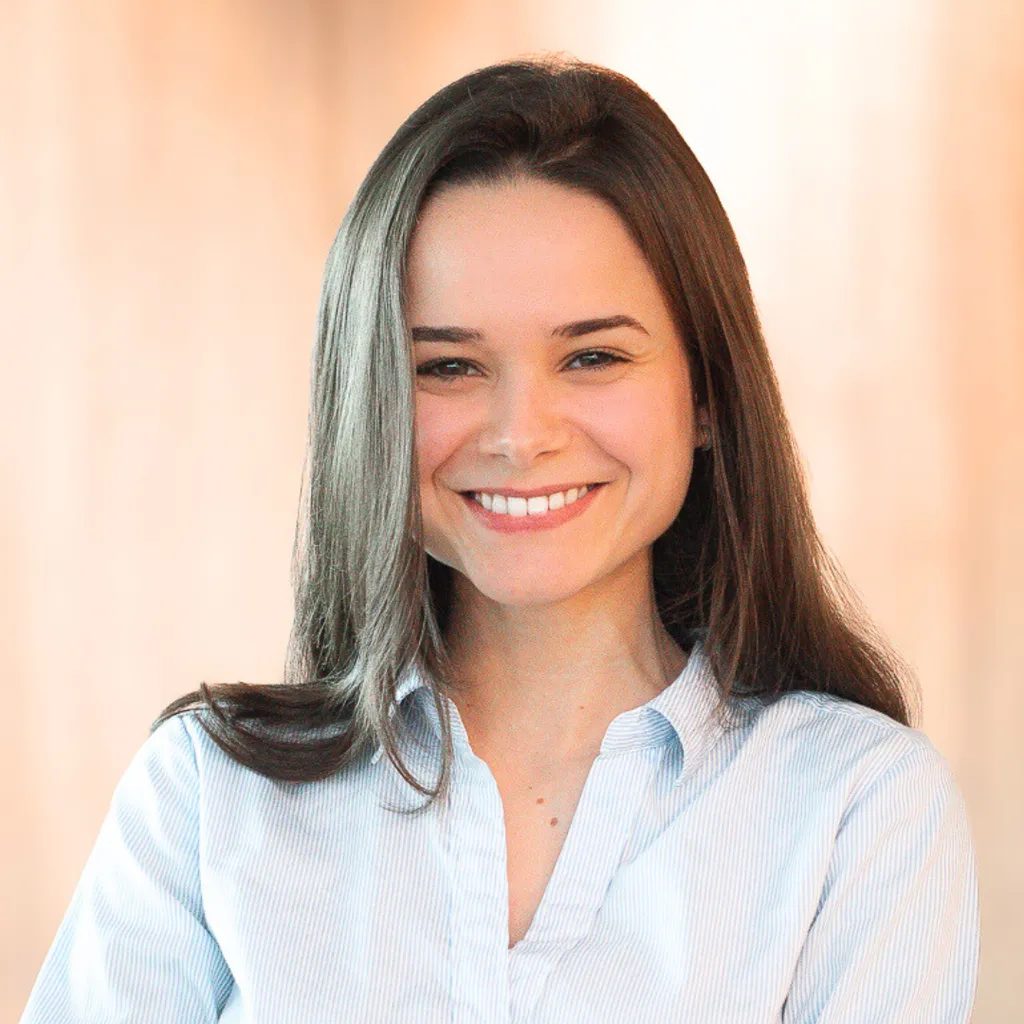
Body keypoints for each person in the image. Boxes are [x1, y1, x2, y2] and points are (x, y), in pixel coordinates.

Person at [21, 55, 979, 1022]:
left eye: (593, 356)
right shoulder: (204, 797)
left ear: (707, 394)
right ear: (372, 401)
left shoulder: (859, 808)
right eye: (448, 367)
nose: (521, 436)